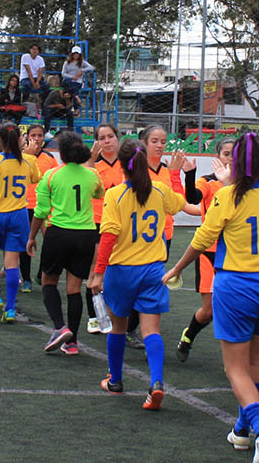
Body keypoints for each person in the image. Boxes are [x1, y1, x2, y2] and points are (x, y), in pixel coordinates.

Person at [163, 133, 259, 463]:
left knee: (234, 366)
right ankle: (242, 429)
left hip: (238, 283)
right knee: (253, 361)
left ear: (235, 163)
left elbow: (203, 237)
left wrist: (175, 268)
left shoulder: (227, 196)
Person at [89, 140, 185, 410]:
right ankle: (156, 382)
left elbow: (108, 236)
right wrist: (175, 175)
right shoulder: (159, 190)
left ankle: (116, 380)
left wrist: (98, 272)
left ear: (121, 164)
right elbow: (179, 204)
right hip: (153, 269)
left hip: (121, 271)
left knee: (118, 328)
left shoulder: (116, 194)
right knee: (151, 330)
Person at [30, 131, 103, 355]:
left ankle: (60, 327)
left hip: (59, 233)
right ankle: (72, 342)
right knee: (74, 288)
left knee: (48, 281)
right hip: (86, 236)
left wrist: (32, 236)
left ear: (61, 153)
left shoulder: (52, 175)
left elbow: (41, 210)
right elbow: (99, 193)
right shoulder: (92, 174)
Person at [176, 137, 236, 361]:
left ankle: (234, 359)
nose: (230, 158)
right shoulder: (208, 181)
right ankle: (189, 334)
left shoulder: (244, 184)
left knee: (233, 307)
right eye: (226, 153)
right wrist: (189, 174)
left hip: (235, 253)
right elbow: (192, 197)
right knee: (209, 310)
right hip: (209, 253)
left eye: (234, 154)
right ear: (217, 157)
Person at [0, 123, 42, 323]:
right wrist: (29, 154)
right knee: (12, 262)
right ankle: (11, 309)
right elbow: (36, 178)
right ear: (20, 140)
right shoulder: (28, 161)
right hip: (19, 215)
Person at [128, 124, 184, 348]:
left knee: (150, 284)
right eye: (155, 141)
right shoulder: (137, 172)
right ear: (144, 142)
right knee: (139, 284)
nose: (160, 145)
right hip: (140, 237)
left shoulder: (165, 171)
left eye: (163, 141)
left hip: (164, 236)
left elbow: (177, 204)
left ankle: (135, 328)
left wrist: (178, 174)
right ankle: (128, 326)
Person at [84, 123, 125, 334]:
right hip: (97, 222)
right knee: (95, 267)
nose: (107, 141)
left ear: (118, 139)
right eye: (102, 137)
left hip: (122, 224)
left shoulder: (127, 165)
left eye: (110, 136)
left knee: (118, 270)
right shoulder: (92, 166)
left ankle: (116, 314)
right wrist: (91, 159)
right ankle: (94, 316)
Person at [20, 125, 59, 292]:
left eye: (40, 135)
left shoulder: (49, 158)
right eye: (33, 135)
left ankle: (40, 273)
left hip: (44, 207)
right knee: (25, 242)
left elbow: (56, 181)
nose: (37, 138)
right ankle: (26, 279)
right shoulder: (21, 157)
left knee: (49, 242)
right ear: (27, 137)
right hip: (24, 205)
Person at [19, 43, 49, 108]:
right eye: (33, 49)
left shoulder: (40, 59)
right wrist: (34, 83)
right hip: (26, 78)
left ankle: (44, 105)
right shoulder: (25, 57)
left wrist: (37, 82)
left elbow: (40, 72)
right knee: (27, 85)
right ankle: (24, 105)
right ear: (30, 50)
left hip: (37, 78)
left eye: (36, 49)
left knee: (46, 86)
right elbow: (29, 71)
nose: (34, 51)